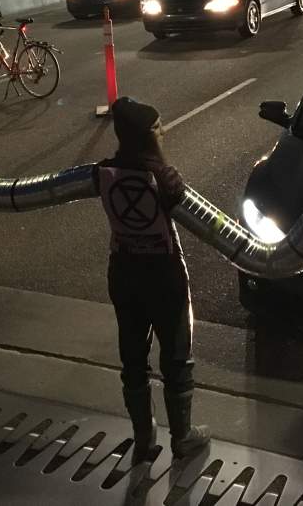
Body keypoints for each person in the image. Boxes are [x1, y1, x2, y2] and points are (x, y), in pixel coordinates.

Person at [98, 97, 210, 463]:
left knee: (133, 357)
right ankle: (183, 436)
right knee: (176, 356)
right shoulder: (164, 178)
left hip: (123, 272)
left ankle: (143, 438)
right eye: (159, 126)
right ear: (149, 136)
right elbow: (191, 210)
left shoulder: (102, 172)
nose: (165, 130)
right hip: (164, 276)